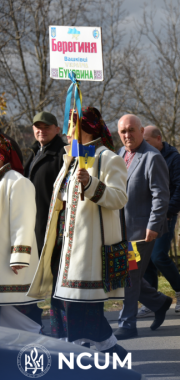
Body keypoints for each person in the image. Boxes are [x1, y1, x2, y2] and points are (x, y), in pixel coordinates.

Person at [27, 107, 127, 357]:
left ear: (87, 129)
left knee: (82, 307)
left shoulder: (108, 159)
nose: (68, 132)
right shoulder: (71, 159)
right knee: (70, 306)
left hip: (91, 249)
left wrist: (91, 183)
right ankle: (94, 353)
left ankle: (106, 353)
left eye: (73, 126)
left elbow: (119, 198)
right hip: (66, 248)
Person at [115, 114, 172, 340]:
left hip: (142, 231)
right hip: (121, 229)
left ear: (141, 131)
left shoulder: (152, 157)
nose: (127, 135)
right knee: (128, 274)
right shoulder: (121, 154)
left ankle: (127, 324)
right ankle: (159, 302)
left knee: (130, 275)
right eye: (123, 132)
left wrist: (154, 225)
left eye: (131, 130)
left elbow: (161, 195)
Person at [139, 126, 180, 316]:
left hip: (164, 215)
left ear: (158, 138)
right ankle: (152, 300)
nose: (143, 143)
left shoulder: (174, 158)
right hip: (145, 216)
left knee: (158, 256)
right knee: (145, 260)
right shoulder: (143, 155)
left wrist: (167, 212)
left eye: (146, 139)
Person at [0, 134, 43, 333]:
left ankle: (39, 350)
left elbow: (24, 222)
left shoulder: (16, 182)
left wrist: (20, 257)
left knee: (22, 317)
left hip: (12, 265)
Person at [23, 111, 67, 255]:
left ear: (57, 130)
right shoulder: (35, 152)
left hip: (51, 229)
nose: (42, 131)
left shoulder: (64, 154)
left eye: (46, 127)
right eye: (38, 127)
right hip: (31, 224)